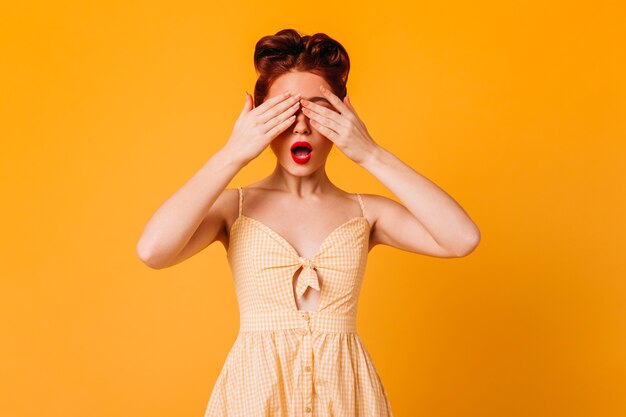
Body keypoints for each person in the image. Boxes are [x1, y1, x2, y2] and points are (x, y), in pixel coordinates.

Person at [137, 28, 480, 416]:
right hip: (255, 398)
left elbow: (462, 239)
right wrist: (232, 154)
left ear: (342, 116)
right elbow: (153, 251)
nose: (301, 126)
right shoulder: (234, 208)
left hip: (348, 398)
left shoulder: (366, 212)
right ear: (259, 119)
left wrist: (370, 153)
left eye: (316, 110)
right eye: (285, 110)